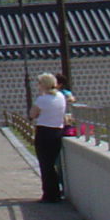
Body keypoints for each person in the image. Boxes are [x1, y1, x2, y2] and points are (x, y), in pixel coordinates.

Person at [29, 72, 68, 202]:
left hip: (44, 132)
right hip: (57, 131)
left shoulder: (42, 99)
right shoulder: (61, 96)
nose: (37, 85)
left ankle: (49, 194)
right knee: (52, 164)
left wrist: (39, 97)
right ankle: (56, 192)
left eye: (39, 83)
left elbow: (32, 114)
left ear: (43, 85)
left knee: (45, 165)